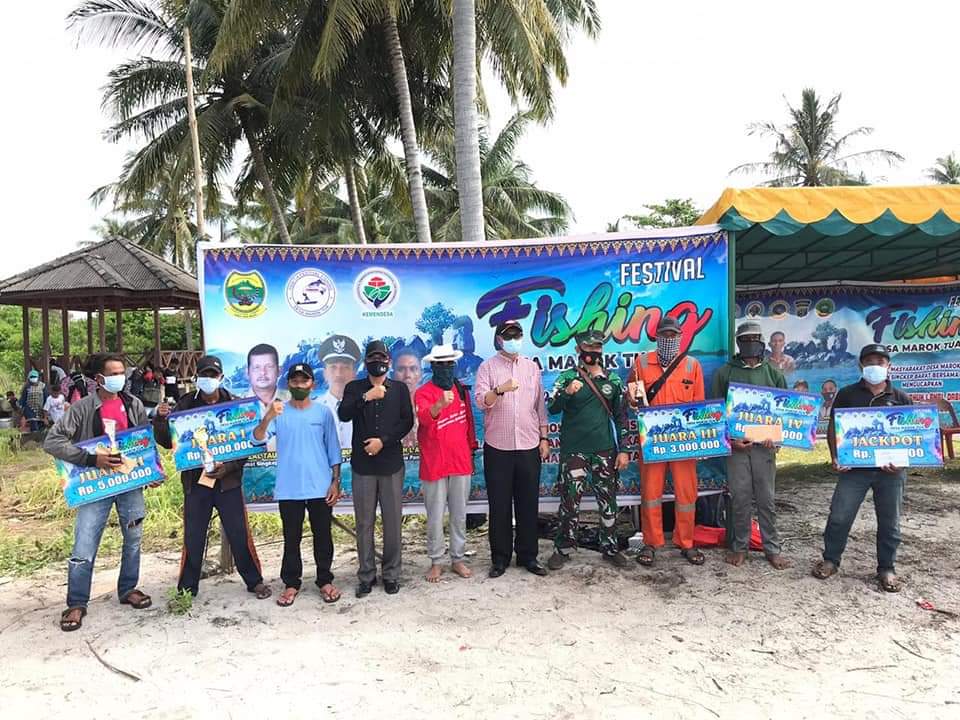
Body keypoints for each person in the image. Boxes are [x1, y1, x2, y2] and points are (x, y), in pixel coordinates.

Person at [43, 354, 155, 631]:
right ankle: (77, 603)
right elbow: (53, 441)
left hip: (129, 484)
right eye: (115, 373)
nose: (122, 378)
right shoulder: (81, 409)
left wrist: (153, 471)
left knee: (133, 538)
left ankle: (128, 589)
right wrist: (91, 459)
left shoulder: (134, 404)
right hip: (94, 486)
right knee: (84, 544)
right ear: (99, 379)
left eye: (123, 372)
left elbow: (144, 440)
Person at [153, 355, 271, 601]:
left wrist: (228, 467)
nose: (208, 380)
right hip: (196, 483)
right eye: (204, 375)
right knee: (193, 536)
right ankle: (187, 588)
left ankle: (254, 581)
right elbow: (168, 442)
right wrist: (161, 420)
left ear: (221, 378)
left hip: (228, 482)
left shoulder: (236, 406)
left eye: (213, 375)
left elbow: (248, 445)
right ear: (196, 378)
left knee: (239, 533)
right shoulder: (184, 405)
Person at [813, 344, 911, 593]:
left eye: (880, 361)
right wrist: (836, 457)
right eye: (869, 362)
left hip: (891, 473)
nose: (874, 366)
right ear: (861, 366)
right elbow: (834, 429)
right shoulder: (846, 394)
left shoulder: (901, 398)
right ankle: (831, 560)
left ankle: (887, 568)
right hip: (854, 470)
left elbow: (911, 437)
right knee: (839, 516)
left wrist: (901, 462)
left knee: (890, 523)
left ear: (889, 366)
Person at [253, 362, 343, 606]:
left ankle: (324, 580)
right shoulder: (279, 412)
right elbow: (258, 438)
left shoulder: (323, 413)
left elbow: (334, 450)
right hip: (289, 488)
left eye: (304, 381)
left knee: (323, 536)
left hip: (320, 486)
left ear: (312, 383)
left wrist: (335, 482)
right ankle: (291, 583)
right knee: (291, 538)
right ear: (288, 384)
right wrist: (268, 417)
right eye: (295, 381)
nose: (299, 385)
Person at [547, 330, 632, 570]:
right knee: (569, 502)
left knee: (608, 501)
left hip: (605, 452)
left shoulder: (613, 380)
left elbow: (622, 417)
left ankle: (610, 548)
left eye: (598, 348)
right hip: (574, 452)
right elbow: (551, 407)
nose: (594, 352)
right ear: (578, 350)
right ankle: (562, 549)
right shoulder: (566, 378)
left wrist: (624, 450)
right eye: (589, 348)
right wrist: (567, 393)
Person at [627, 316, 706, 567]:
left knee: (686, 493)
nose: (669, 339)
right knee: (650, 493)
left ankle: (686, 542)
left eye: (674, 335)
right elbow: (633, 399)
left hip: (683, 442)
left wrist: (701, 441)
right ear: (657, 337)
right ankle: (651, 543)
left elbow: (699, 408)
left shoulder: (692, 366)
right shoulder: (640, 363)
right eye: (665, 335)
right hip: (651, 442)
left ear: (680, 337)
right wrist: (633, 402)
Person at [338, 341, 414, 597]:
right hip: (363, 466)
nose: (377, 362)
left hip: (391, 464)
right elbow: (344, 414)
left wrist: (384, 441)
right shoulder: (354, 388)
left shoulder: (400, 389)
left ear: (389, 361)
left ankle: (392, 574)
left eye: (381, 358)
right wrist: (365, 397)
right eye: (372, 358)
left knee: (392, 522)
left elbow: (407, 422)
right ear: (366, 362)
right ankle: (366, 575)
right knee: (364, 523)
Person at [712, 321, 790, 570]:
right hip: (737, 448)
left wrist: (775, 437)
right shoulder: (725, 372)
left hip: (764, 448)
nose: (750, 343)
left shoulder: (773, 373)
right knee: (740, 498)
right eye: (745, 340)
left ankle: (772, 548)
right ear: (738, 343)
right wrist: (731, 440)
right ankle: (739, 546)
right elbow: (715, 412)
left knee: (767, 499)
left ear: (762, 342)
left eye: (754, 338)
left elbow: (785, 411)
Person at [474, 321, 549, 578]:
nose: (514, 339)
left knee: (528, 503)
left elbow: (539, 406)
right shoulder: (487, 367)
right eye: (509, 336)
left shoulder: (531, 368)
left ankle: (528, 556)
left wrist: (544, 438)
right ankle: (500, 558)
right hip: (498, 446)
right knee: (500, 505)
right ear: (499, 340)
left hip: (529, 444)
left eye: (517, 335)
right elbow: (482, 402)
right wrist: (499, 390)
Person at [415, 344, 479, 583]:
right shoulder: (423, 392)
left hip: (460, 461)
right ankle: (436, 560)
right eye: (440, 364)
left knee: (459, 514)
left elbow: (469, 423)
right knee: (434, 515)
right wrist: (439, 405)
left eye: (449, 363)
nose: (445, 368)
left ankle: (458, 558)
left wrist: (472, 448)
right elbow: (423, 419)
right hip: (434, 463)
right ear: (432, 366)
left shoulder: (462, 390)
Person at [317, 334, 361, 450]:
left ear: (354, 373)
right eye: (333, 367)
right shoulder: (313, 408)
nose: (339, 374)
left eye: (345, 367)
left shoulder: (365, 406)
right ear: (324, 373)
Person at [246, 343, 289, 452]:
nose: (263, 373)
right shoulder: (236, 405)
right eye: (256, 367)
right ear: (247, 372)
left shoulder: (293, 400)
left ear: (279, 370)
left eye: (269, 367)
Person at [393, 346, 423, 449]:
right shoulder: (383, 409)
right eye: (401, 369)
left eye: (413, 369)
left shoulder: (432, 406)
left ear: (421, 374)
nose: (407, 375)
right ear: (393, 374)